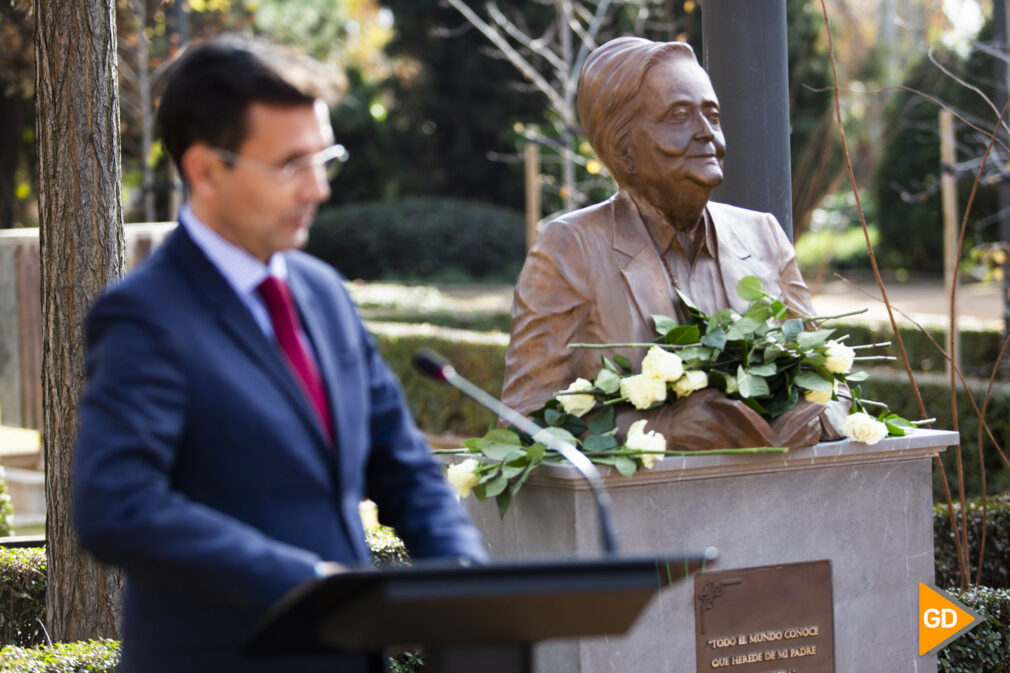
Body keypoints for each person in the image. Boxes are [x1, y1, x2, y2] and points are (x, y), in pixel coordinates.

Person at [73, 36, 486, 673]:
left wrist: (462, 574)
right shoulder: (145, 316)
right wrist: (302, 580)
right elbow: (117, 507)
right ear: (208, 171)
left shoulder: (322, 292)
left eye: (325, 159)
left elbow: (403, 467)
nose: (319, 189)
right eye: (293, 165)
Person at [502, 37, 842, 449]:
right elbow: (524, 418)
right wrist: (665, 431)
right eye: (678, 116)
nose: (706, 134)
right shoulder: (570, 248)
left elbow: (831, 387)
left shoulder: (764, 236)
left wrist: (813, 417)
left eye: (712, 115)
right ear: (622, 146)